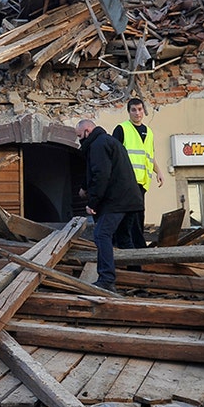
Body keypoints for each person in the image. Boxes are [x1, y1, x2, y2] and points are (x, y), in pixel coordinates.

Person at [74, 119, 143, 293]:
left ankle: (106, 279)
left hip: (116, 201)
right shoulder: (108, 141)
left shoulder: (98, 145)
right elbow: (100, 170)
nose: (79, 140)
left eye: (79, 136)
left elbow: (101, 174)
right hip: (130, 200)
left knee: (101, 234)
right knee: (124, 239)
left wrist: (92, 202)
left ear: (87, 131)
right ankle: (138, 281)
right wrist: (84, 185)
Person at [114, 97, 163, 249]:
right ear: (128, 112)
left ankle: (135, 246)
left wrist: (159, 172)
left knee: (139, 215)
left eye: (140, 109)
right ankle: (136, 246)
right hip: (127, 182)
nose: (137, 113)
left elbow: (150, 156)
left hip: (142, 183)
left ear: (144, 111)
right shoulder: (122, 129)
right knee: (131, 216)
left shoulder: (148, 132)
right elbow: (113, 154)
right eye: (133, 110)